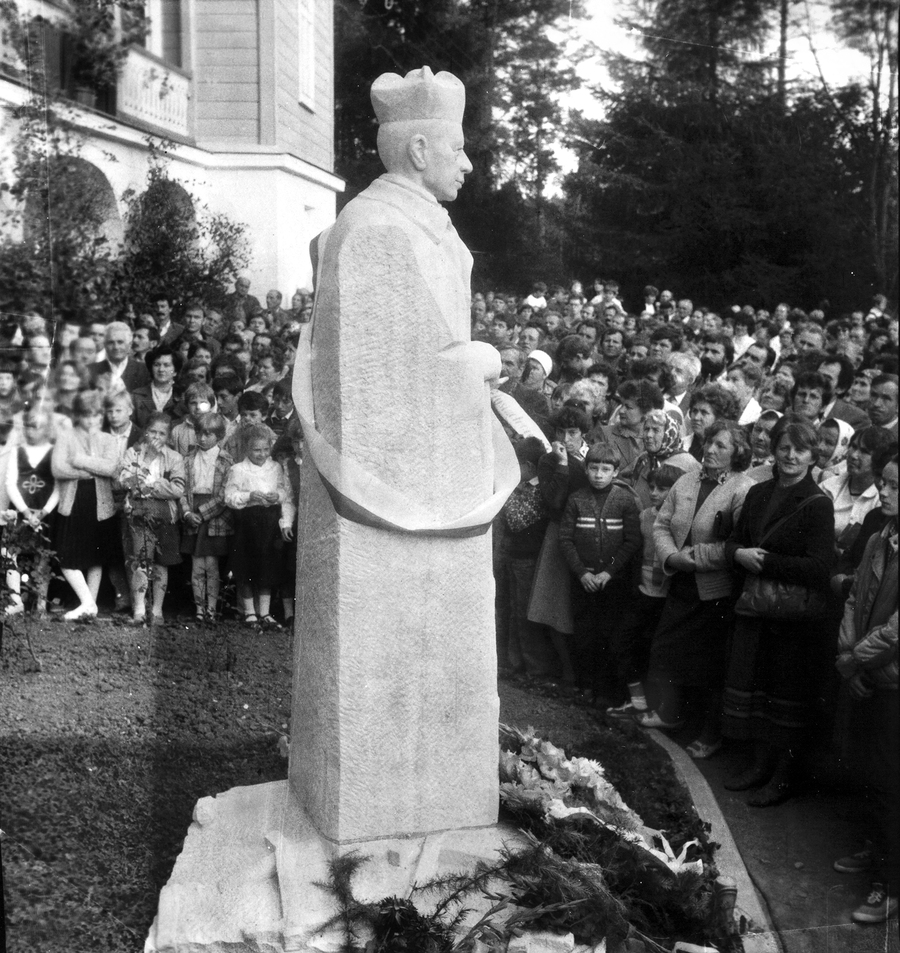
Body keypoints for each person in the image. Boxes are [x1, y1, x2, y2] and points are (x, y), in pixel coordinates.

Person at [721, 419, 835, 806]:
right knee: (756, 690)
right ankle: (758, 766)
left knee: (783, 696)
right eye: (784, 447)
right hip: (755, 608)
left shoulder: (818, 504)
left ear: (812, 456)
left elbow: (820, 568)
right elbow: (736, 540)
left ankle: (781, 778)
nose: (790, 456)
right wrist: (738, 553)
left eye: (799, 450)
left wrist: (765, 562)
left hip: (789, 619)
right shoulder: (758, 493)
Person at [639, 421, 755, 757]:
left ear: (738, 452)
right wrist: (673, 557)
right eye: (708, 443)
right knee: (666, 652)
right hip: (680, 582)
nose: (710, 450)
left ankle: (709, 732)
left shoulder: (742, 488)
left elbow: (737, 544)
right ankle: (672, 714)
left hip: (714, 591)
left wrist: (698, 559)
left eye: (721, 445)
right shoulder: (688, 479)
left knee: (708, 666)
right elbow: (662, 523)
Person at [833, 454, 898, 924]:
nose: (887, 492)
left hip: (890, 679)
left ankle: (890, 884)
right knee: (866, 772)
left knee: (889, 781)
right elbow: (855, 597)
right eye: (885, 482)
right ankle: (876, 851)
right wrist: (847, 654)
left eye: (896, 486)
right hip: (863, 672)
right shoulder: (879, 538)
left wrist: (856, 657)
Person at [558, 442, 641, 706]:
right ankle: (585, 687)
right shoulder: (576, 499)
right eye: (594, 468)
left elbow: (631, 541)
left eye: (606, 469)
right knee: (583, 637)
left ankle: (605, 692)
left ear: (615, 472)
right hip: (583, 582)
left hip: (612, 584)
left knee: (608, 636)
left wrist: (608, 572)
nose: (599, 474)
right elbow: (565, 540)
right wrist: (582, 573)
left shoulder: (625, 500)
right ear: (586, 468)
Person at [606, 463, 682, 720]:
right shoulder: (645, 516)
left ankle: (656, 706)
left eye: (662, 488)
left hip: (666, 598)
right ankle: (636, 703)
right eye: (651, 487)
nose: (654, 492)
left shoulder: (680, 520)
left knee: (655, 655)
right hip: (642, 593)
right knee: (623, 644)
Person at [51, 390, 123, 621]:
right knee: (66, 556)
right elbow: (58, 468)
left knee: (96, 555)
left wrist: (80, 461)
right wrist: (87, 471)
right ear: (77, 416)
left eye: (95, 415)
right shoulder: (67, 437)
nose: (91, 420)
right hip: (74, 502)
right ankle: (89, 603)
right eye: (86, 415)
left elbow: (111, 468)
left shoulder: (108, 439)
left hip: (100, 503)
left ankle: (88, 607)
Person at [117, 413, 185, 625]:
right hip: (138, 514)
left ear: (168, 437)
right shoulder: (133, 453)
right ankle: (139, 608)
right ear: (145, 432)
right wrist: (146, 462)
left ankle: (157, 609)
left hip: (165, 515)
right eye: (152, 432)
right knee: (141, 561)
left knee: (162, 563)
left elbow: (177, 489)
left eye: (161, 433)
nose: (156, 437)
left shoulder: (174, 458)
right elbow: (124, 480)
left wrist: (150, 486)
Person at [224, 424, 287, 629]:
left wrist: (277, 496)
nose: (261, 454)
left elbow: (285, 492)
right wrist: (248, 496)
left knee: (266, 566)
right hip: (247, 522)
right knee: (246, 567)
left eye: (265, 449)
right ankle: (250, 612)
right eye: (256, 450)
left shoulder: (275, 468)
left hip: (269, 522)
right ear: (246, 449)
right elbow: (229, 497)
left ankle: (265, 612)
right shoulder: (238, 469)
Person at [498, 437, 552, 677]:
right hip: (514, 555)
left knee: (523, 612)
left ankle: (533, 667)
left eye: (517, 464)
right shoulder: (525, 486)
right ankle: (515, 662)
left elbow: (517, 520)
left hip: (527, 560)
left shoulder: (538, 490)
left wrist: (504, 491)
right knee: (512, 609)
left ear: (529, 466)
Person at [4, 406, 58, 617]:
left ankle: (41, 604)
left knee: (42, 555)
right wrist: (25, 512)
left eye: (39, 426)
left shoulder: (54, 452)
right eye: (30, 426)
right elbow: (10, 482)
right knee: (12, 552)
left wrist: (42, 513)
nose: (33, 430)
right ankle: (16, 599)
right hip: (20, 510)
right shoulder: (18, 451)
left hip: (44, 512)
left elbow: (58, 488)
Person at [179, 412, 233, 623]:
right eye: (199, 433)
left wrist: (202, 514)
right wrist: (186, 513)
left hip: (215, 516)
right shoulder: (188, 459)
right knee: (196, 566)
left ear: (218, 436)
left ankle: (211, 609)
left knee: (211, 565)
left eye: (208, 434)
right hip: (192, 511)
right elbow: (181, 490)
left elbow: (224, 495)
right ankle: (199, 609)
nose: (202, 438)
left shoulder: (226, 460)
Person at [822, 426, 895, 554]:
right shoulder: (828, 486)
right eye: (853, 447)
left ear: (880, 459)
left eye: (865, 451)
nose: (854, 455)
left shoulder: (885, 500)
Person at [619, 408, 700, 509]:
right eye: (646, 429)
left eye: (656, 430)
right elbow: (622, 480)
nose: (649, 435)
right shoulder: (643, 459)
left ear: (669, 433)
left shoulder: (687, 463)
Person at [684, 384, 739, 462]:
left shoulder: (728, 452)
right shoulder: (681, 444)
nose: (696, 417)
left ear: (719, 418)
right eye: (694, 411)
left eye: (704, 413)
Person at [812, 418, 853, 485]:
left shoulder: (846, 481)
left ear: (844, 449)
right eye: (818, 439)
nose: (820, 447)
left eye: (829, 443)